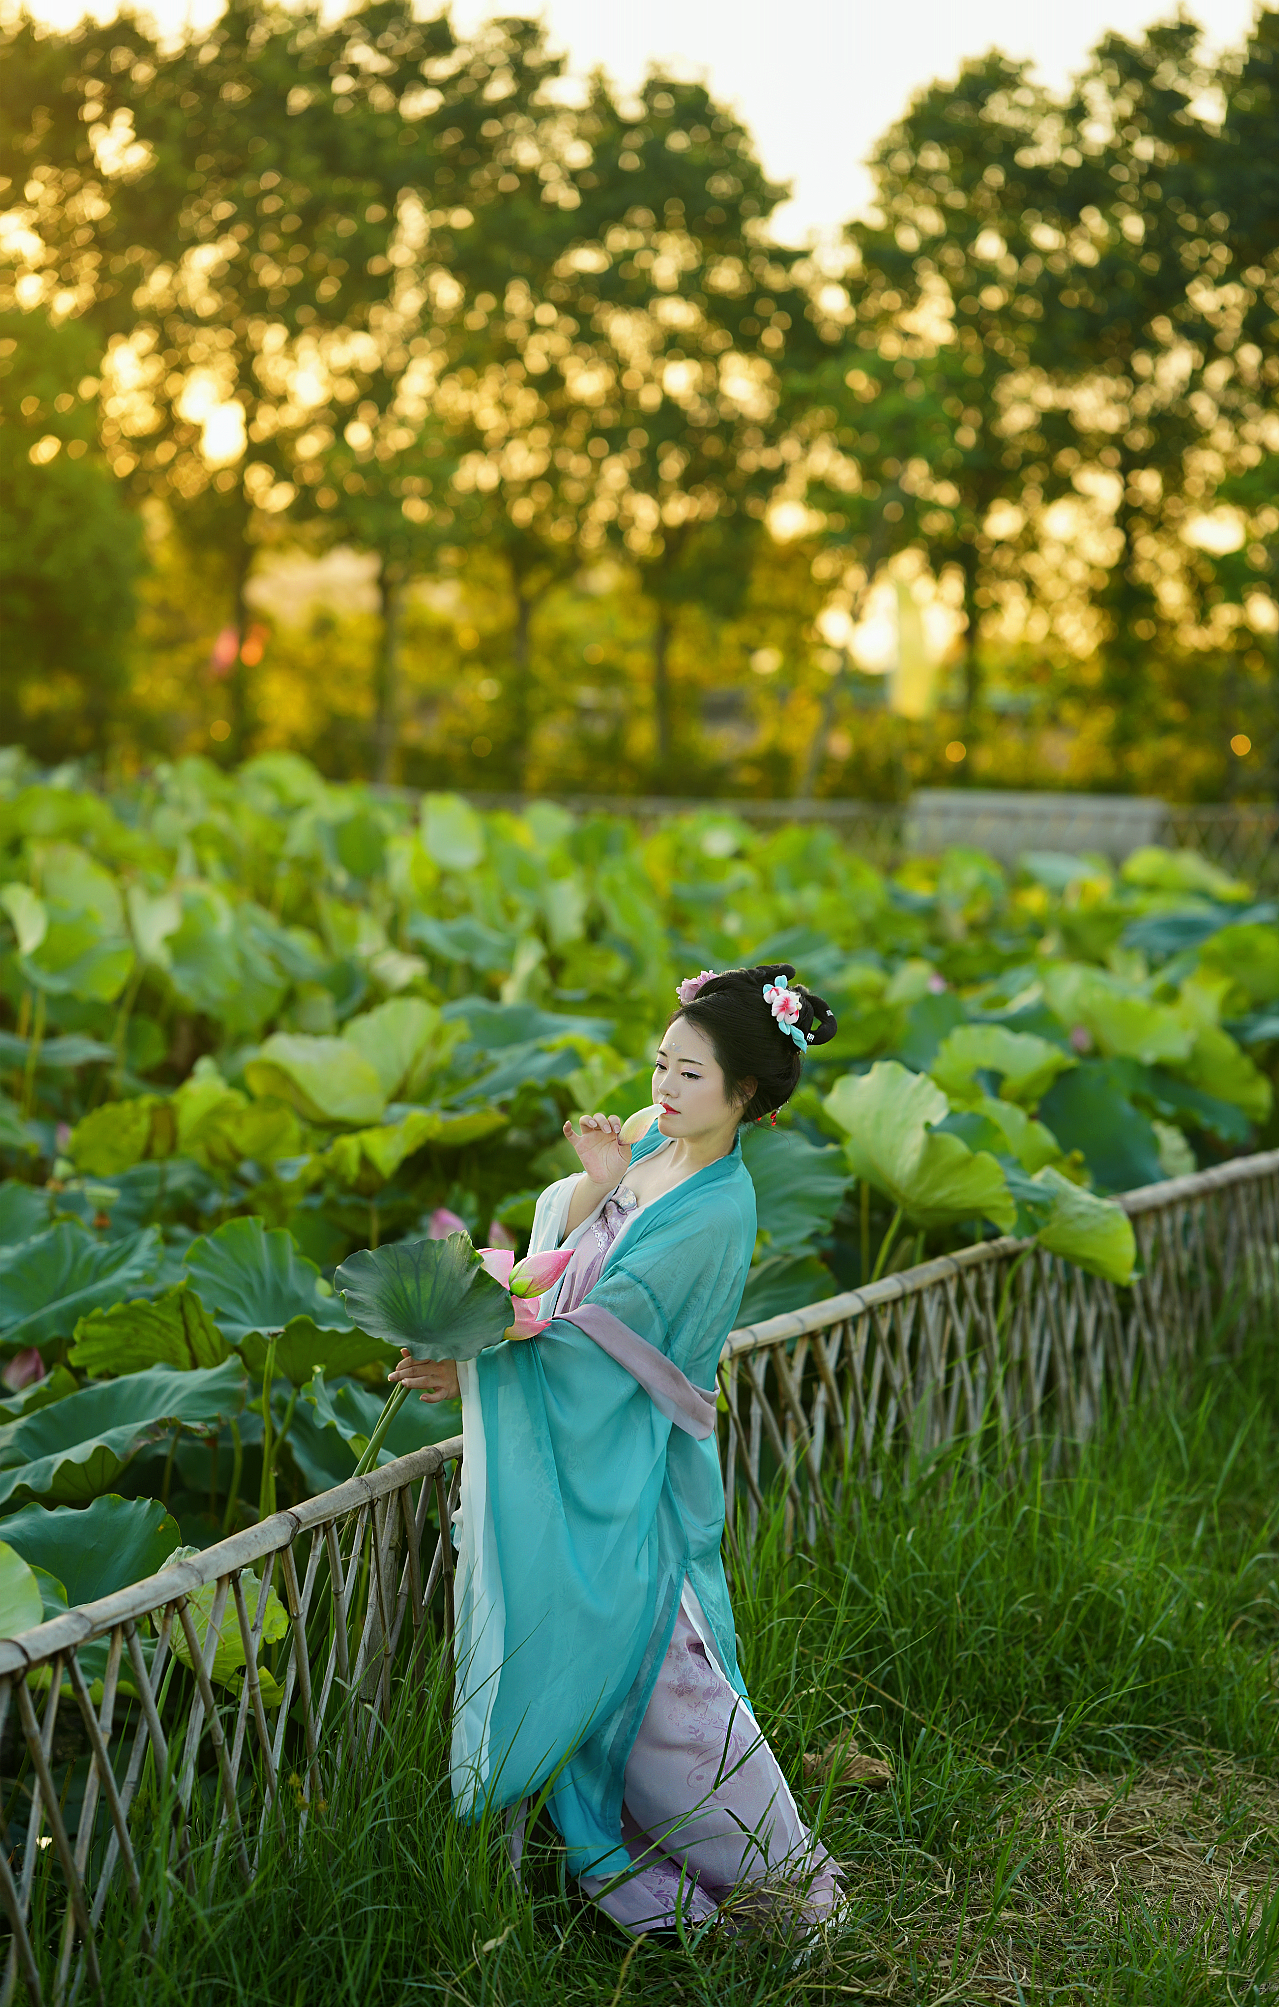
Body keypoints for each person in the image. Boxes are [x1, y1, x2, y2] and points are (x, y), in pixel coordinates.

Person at [389, 964, 842, 1941]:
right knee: (636, 1660)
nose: (663, 1088)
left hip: (632, 1458)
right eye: (660, 1063)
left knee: (664, 1671)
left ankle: (782, 1888)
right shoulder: (644, 1135)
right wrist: (593, 1185)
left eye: (689, 1074)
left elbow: (606, 1342)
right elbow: (562, 1245)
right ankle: (580, 1848)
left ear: (746, 1093)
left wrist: (473, 1366)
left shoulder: (716, 1211)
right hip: (590, 1442)